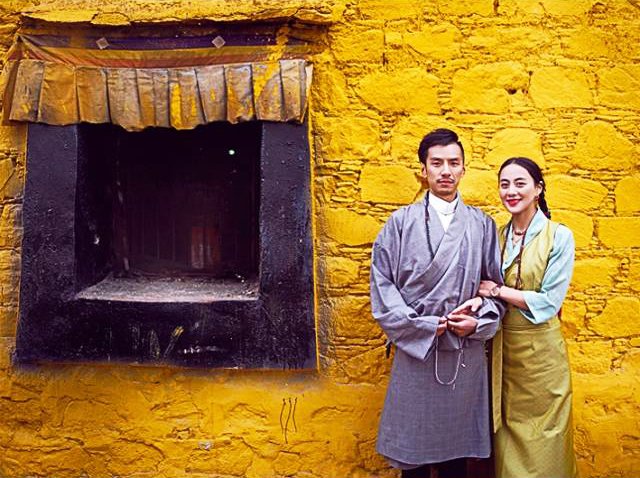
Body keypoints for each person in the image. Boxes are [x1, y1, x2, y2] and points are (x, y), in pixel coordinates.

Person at [370, 128, 505, 478]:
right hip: (416, 348)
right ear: (423, 170)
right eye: (437, 163)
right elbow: (382, 286)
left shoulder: (482, 225)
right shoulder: (399, 224)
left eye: (454, 163)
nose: (446, 171)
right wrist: (423, 325)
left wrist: (479, 323)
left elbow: (495, 289)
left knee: (456, 460)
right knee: (412, 459)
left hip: (463, 350)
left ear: (463, 169)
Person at [476, 157, 578, 478]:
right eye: (505, 184)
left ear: (538, 189)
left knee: (546, 438)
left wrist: (497, 291)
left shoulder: (559, 237)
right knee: (507, 436)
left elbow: (549, 302)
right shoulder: (497, 236)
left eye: (520, 183)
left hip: (543, 358)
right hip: (504, 355)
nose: (511, 191)